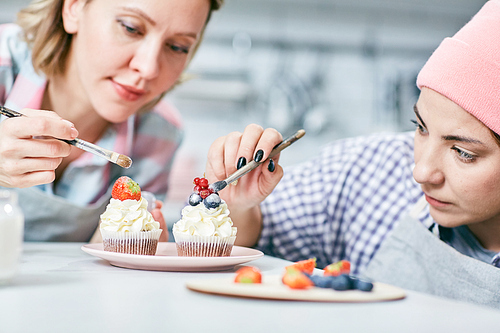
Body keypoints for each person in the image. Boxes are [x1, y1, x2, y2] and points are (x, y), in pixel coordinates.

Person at [206, 0, 500, 307]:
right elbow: (246, 238)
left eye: (463, 153)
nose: (421, 172)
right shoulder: (369, 170)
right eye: (421, 127)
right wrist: (238, 204)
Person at [0, 0, 223, 241]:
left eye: (177, 47)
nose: (148, 68)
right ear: (73, 7)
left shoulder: (159, 135)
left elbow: (100, 267)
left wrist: (124, 246)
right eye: (130, 28)